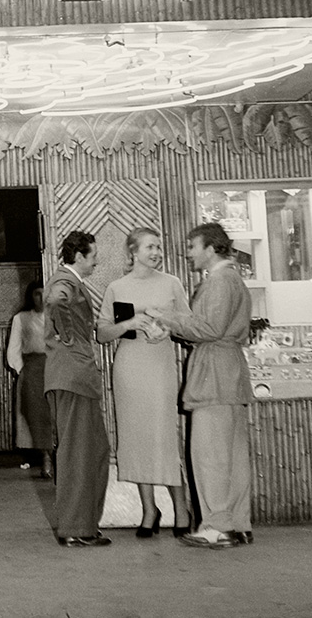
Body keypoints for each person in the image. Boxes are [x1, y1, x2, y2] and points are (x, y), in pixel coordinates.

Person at [147, 221, 253, 550]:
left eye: (193, 247)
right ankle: (237, 524)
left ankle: (217, 526)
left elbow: (208, 328)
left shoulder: (220, 280)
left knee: (210, 456)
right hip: (229, 374)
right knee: (232, 457)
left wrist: (167, 317)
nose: (189, 253)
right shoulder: (232, 278)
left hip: (214, 376)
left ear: (210, 248)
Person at [96, 227, 193, 538]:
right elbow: (102, 333)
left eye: (158, 247)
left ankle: (181, 509)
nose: (155, 252)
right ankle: (149, 509)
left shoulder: (172, 284)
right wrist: (129, 323)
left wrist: (169, 328)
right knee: (135, 438)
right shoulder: (117, 287)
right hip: (129, 367)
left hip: (160, 365)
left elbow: (189, 326)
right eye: (150, 247)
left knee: (164, 435)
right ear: (133, 252)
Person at [43, 230, 112, 548]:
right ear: (80, 256)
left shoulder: (71, 281)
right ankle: (74, 527)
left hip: (76, 379)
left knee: (94, 451)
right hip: (72, 378)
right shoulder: (65, 281)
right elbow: (56, 300)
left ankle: (84, 523)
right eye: (94, 255)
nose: (96, 260)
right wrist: (68, 336)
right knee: (77, 453)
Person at [6, 280, 53, 479]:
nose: (41, 298)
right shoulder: (21, 318)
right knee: (37, 418)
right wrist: (23, 371)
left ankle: (58, 459)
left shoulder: (56, 317)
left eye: (44, 293)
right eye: (36, 294)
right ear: (30, 296)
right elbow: (13, 350)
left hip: (54, 369)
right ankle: (45, 459)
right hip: (33, 373)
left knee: (54, 416)